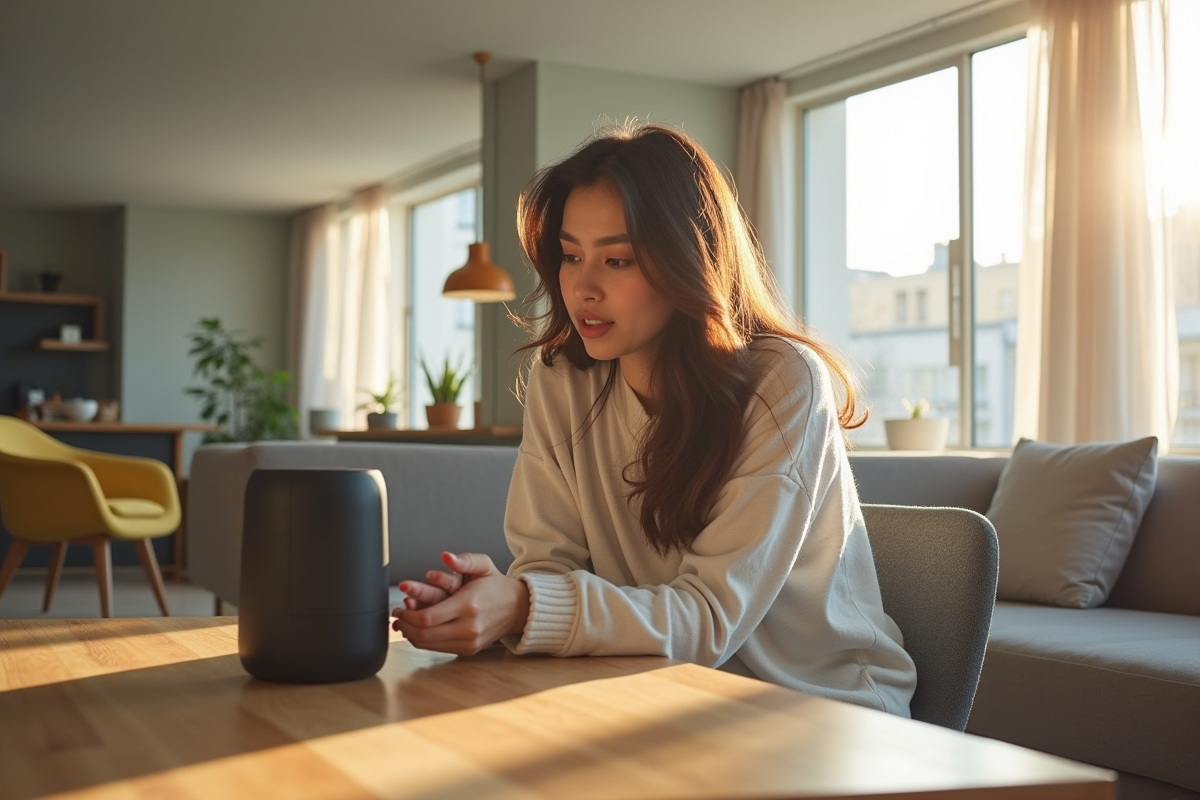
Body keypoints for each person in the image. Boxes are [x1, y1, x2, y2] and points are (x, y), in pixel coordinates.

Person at [392, 122, 917, 716]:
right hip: (656, 691)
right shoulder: (563, 379)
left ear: (688, 263)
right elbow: (548, 563)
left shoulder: (782, 383)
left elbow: (710, 620)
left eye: (617, 260)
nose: (582, 288)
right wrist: (509, 596)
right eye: (569, 256)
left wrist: (524, 606)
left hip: (818, 708)